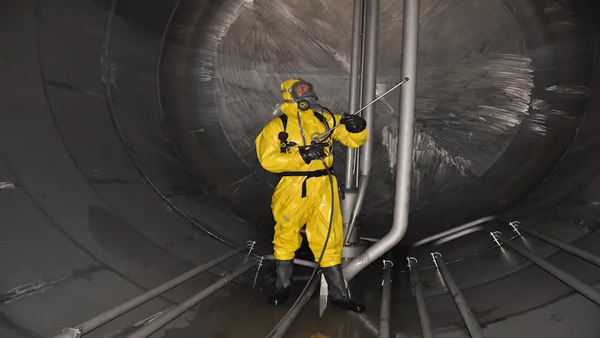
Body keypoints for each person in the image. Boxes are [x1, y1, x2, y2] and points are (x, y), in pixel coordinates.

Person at [255, 78, 368, 313]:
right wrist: (302, 156)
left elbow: (351, 139)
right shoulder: (277, 127)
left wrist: (357, 128)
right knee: (286, 235)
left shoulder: (324, 119)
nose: (307, 93)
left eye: (308, 88)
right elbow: (268, 160)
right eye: (301, 90)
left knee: (329, 236)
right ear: (290, 94)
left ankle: (339, 294)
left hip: (324, 185)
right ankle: (282, 287)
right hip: (292, 187)